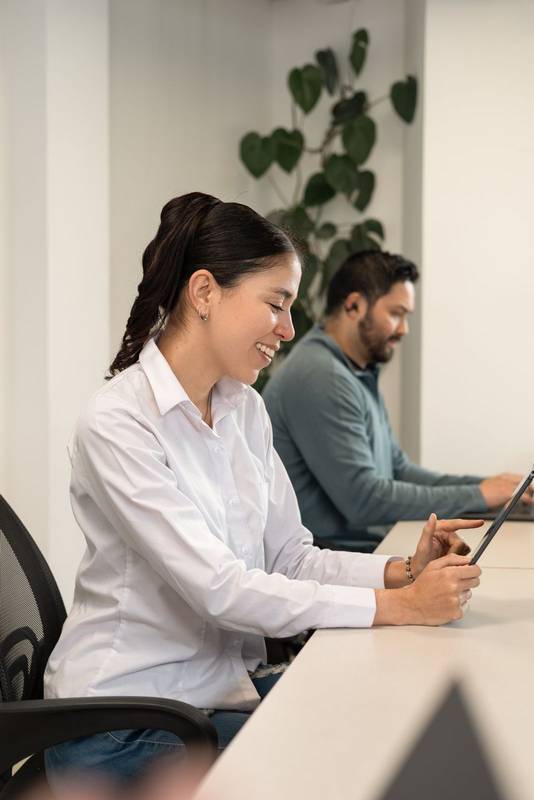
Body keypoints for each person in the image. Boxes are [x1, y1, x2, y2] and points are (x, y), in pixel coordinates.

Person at [44, 195, 482, 787]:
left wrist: (401, 572)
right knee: (354, 758)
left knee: (383, 719)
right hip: (123, 728)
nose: (290, 328)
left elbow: (290, 558)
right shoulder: (118, 422)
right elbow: (219, 590)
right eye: (276, 303)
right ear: (204, 293)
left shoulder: (243, 409)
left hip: (206, 701)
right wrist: (400, 607)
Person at [263, 250, 531, 549]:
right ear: (354, 306)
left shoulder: (355, 371)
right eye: (396, 313)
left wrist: (491, 487)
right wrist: (480, 494)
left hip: (357, 551)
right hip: (331, 561)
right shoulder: (321, 376)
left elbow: (399, 469)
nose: (404, 329)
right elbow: (364, 501)